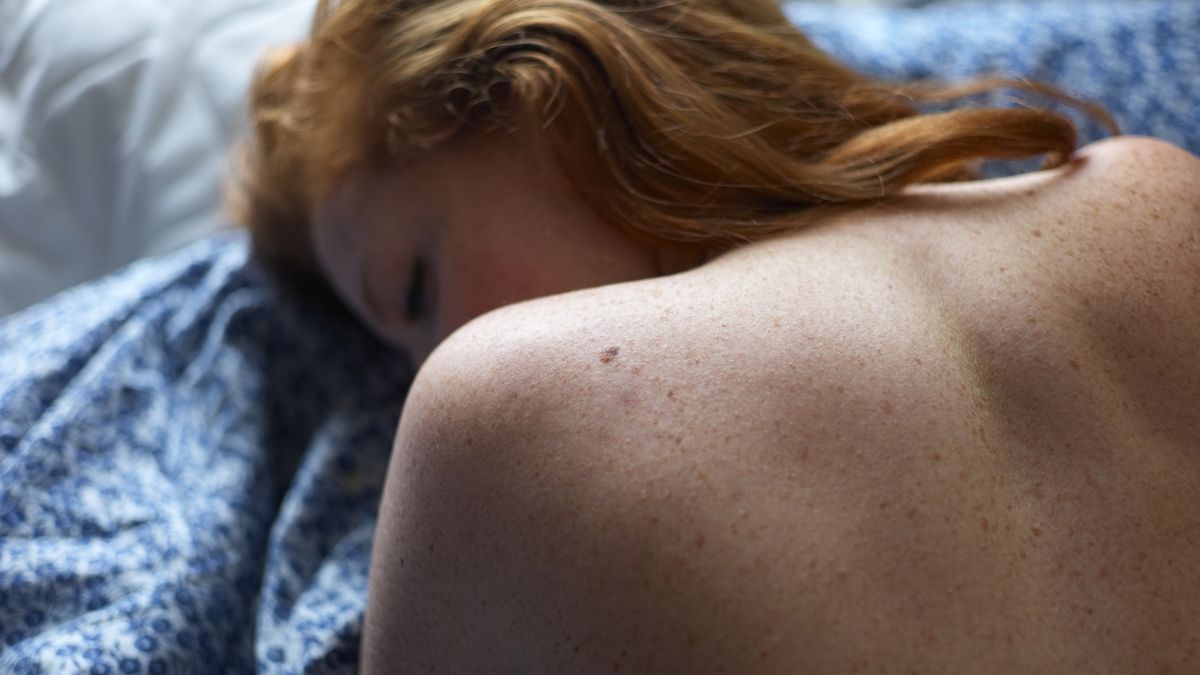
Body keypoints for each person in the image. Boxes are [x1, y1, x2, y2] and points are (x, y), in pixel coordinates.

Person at [233, 0, 1200, 671]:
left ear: (541, 85)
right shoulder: (1154, 197)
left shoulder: (492, 410)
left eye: (415, 285)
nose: (420, 366)